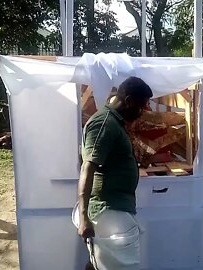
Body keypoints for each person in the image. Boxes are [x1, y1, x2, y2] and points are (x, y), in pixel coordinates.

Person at [77, 76, 153, 270]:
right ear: (128, 101)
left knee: (98, 262)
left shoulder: (112, 122)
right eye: (140, 107)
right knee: (124, 266)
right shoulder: (105, 124)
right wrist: (84, 217)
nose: (141, 113)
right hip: (108, 209)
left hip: (112, 208)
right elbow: (88, 167)